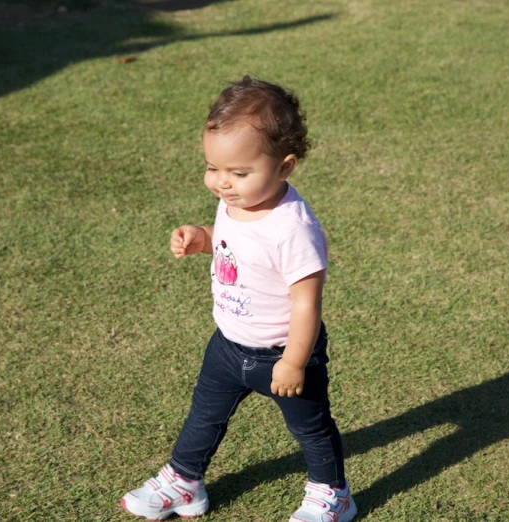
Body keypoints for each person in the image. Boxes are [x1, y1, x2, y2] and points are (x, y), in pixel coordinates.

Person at [120, 76, 356, 522]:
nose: (222, 183)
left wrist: (292, 361)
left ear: (284, 166)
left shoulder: (294, 229)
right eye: (213, 168)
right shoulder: (236, 203)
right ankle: (184, 481)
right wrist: (202, 238)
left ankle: (333, 494)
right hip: (228, 343)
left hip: (280, 352)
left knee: (310, 427)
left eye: (239, 173)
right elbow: (234, 244)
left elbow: (307, 302)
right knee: (204, 416)